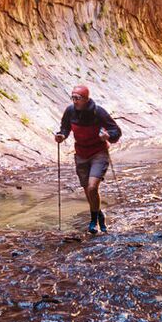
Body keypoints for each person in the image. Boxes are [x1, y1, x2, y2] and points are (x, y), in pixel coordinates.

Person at [54, 83, 121, 234]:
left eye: (77, 98)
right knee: (87, 190)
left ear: (86, 99)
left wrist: (108, 136)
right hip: (81, 154)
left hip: (99, 153)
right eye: (73, 97)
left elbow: (116, 130)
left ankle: (93, 220)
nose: (74, 101)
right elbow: (65, 128)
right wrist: (61, 136)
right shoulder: (70, 111)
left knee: (92, 187)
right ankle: (99, 213)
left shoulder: (98, 112)